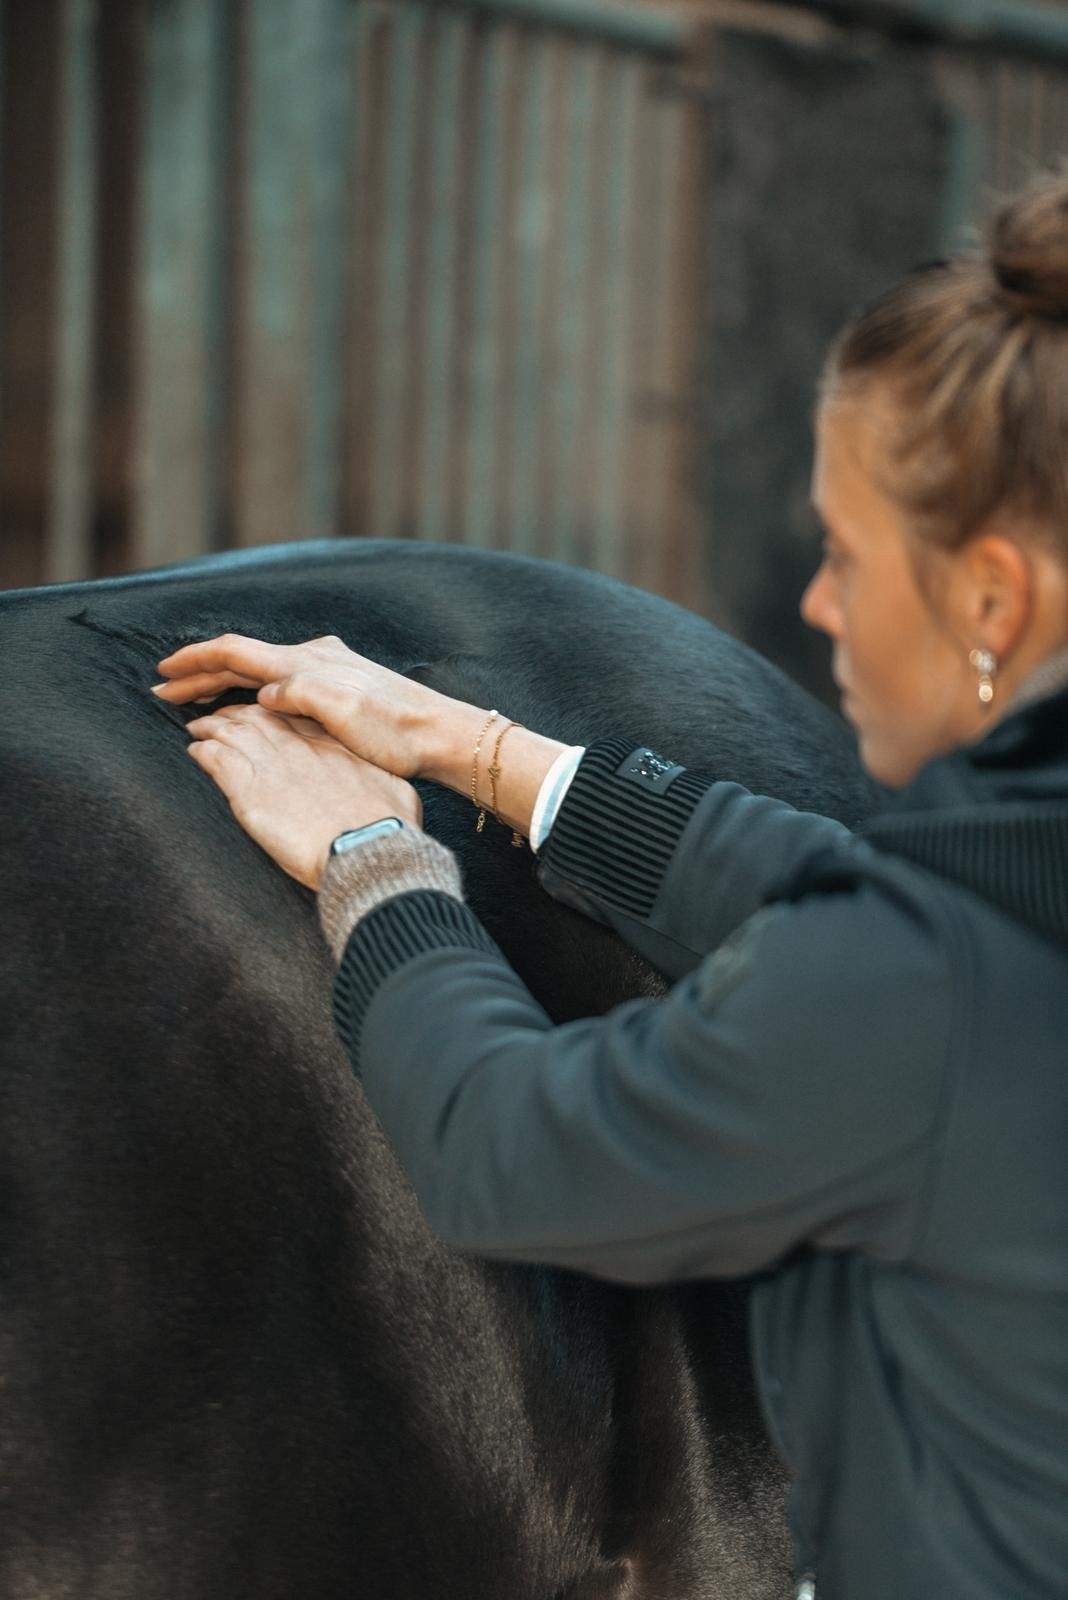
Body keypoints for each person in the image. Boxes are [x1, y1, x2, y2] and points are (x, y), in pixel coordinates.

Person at [149, 167, 1068, 1599]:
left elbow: (516, 1147)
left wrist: (374, 860)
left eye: (843, 552)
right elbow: (868, 903)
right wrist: (481, 748)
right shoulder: (994, 903)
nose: (819, 605)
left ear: (993, 600)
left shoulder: (918, 977)